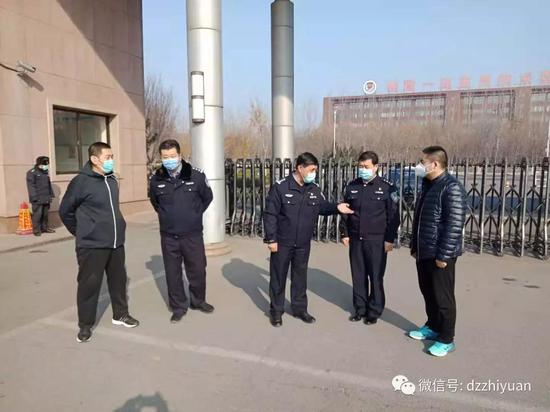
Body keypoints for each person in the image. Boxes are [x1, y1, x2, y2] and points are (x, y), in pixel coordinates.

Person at [59, 142, 139, 343]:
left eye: (112, 156)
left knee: (118, 281)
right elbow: (65, 211)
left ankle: (120, 315)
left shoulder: (112, 179)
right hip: (91, 245)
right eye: (107, 157)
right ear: (94, 159)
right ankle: (85, 325)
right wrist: (82, 231)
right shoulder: (80, 182)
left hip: (116, 242)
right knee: (89, 285)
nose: (111, 160)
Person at [263, 152, 354, 327]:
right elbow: (270, 214)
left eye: (315, 170)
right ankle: (276, 311)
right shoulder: (281, 187)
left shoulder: (314, 188)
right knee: (278, 277)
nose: (314, 173)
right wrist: (271, 239)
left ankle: (299, 309)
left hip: (303, 243)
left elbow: (322, 207)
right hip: (282, 242)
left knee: (300, 277)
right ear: (300, 168)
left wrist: (337, 207)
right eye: (311, 170)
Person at [408, 145, 467, 357]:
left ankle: (446, 338)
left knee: (443, 298)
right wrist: (415, 246)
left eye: (422, 162)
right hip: (424, 250)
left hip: (440, 254)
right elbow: (420, 220)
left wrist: (444, 255)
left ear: (434, 164)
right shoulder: (429, 185)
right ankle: (433, 326)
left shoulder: (451, 187)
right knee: (428, 292)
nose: (419, 166)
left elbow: (454, 224)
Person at [149, 139, 214, 323]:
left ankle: (198, 301)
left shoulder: (196, 176)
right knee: (173, 273)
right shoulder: (156, 179)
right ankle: (178, 307)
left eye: (172, 156)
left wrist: (194, 214)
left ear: (179, 155)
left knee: (198, 270)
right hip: (169, 237)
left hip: (192, 235)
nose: (169, 160)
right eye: (165, 157)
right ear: (161, 158)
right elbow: (155, 203)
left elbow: (207, 197)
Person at [341, 151, 400, 325]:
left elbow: (394, 216)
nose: (363, 170)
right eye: (360, 166)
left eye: (366, 167)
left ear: (376, 167)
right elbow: (345, 211)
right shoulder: (352, 186)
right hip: (356, 238)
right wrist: (345, 233)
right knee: (358, 276)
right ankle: (360, 309)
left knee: (375, 276)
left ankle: (374, 310)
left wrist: (389, 239)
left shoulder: (388, 187)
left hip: (377, 240)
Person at [26, 156, 55, 236]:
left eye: (47, 164)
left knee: (45, 214)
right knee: (37, 215)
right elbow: (31, 186)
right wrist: (34, 197)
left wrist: (51, 195)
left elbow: (48, 185)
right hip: (37, 198)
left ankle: (45, 228)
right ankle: (36, 230)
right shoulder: (32, 172)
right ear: (39, 164)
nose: (46, 166)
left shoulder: (45, 172)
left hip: (46, 197)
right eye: (45, 164)